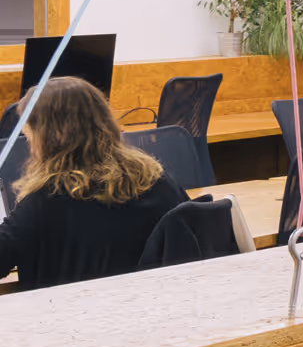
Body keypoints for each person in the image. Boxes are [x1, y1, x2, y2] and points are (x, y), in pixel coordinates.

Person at [0, 76, 190, 289]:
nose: (31, 148)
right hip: (158, 313)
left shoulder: (45, 199)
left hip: (73, 317)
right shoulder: (158, 180)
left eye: (30, 137)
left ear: (48, 139)